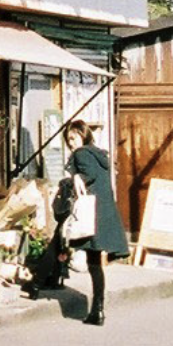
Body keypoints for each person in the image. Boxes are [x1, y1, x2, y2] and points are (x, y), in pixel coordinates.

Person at [61, 119, 129, 325]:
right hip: (103, 213)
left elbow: (87, 174)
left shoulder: (82, 154)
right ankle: (97, 309)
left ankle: (98, 309)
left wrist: (76, 177)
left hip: (91, 215)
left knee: (93, 264)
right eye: (68, 139)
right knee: (95, 263)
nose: (71, 143)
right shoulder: (98, 153)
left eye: (73, 138)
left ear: (83, 135)